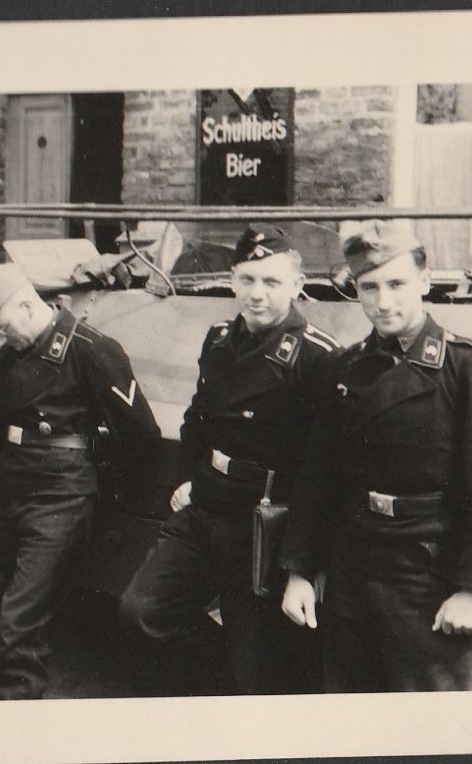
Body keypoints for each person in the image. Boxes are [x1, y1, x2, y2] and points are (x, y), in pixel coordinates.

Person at [279, 220, 472, 692]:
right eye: (369, 287)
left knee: (430, 720)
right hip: (352, 569)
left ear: (425, 282)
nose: (383, 301)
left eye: (396, 284)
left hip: (428, 575)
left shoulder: (469, 368)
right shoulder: (343, 369)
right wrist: (301, 571)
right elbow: (317, 478)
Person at [117, 224, 340, 694]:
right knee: (141, 612)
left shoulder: (318, 358)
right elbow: (196, 420)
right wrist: (189, 478)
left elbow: (322, 473)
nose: (257, 294)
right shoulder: (219, 340)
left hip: (264, 522)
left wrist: (302, 562)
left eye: (271, 282)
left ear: (297, 286)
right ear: (233, 280)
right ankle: (215, 684)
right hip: (206, 506)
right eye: (247, 280)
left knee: (255, 665)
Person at [0, 262, 160, 701]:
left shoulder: (91, 349)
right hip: (13, 490)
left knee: (18, 625)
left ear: (26, 305)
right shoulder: (14, 353)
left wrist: (94, 478)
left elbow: (139, 433)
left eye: (1, 328)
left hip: (60, 499)